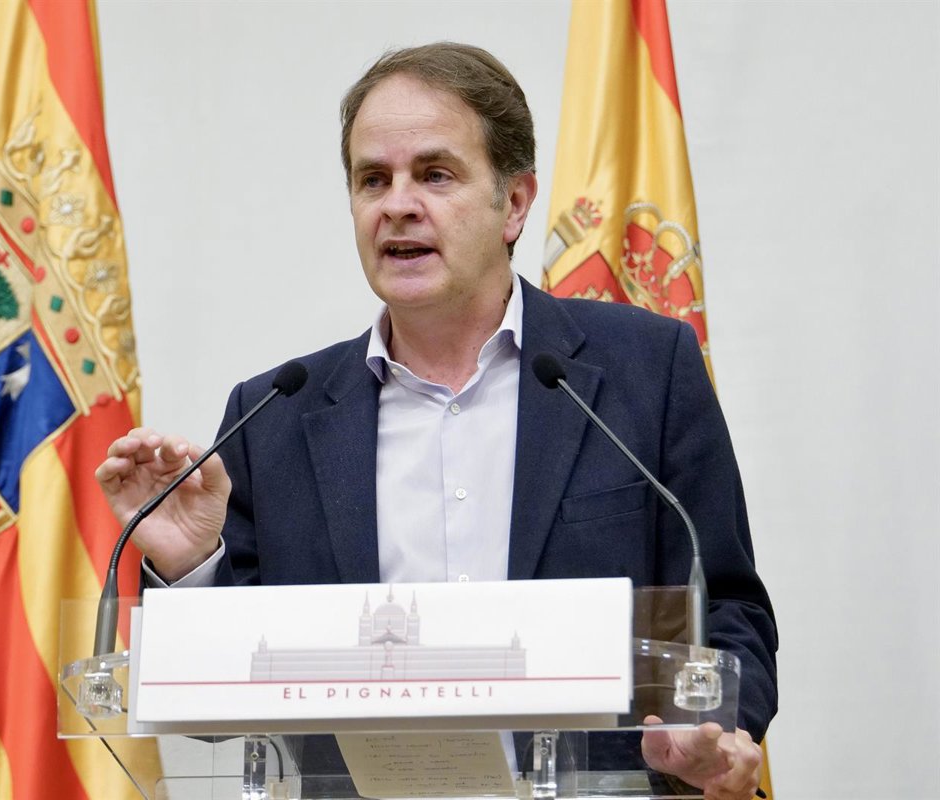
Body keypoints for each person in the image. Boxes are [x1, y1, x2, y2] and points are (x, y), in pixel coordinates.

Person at [96, 43, 776, 800]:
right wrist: (192, 568)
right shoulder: (275, 416)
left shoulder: (644, 373)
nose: (397, 204)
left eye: (435, 174)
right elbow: (219, 713)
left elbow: (728, 606)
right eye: (373, 180)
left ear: (514, 204)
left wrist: (711, 730)